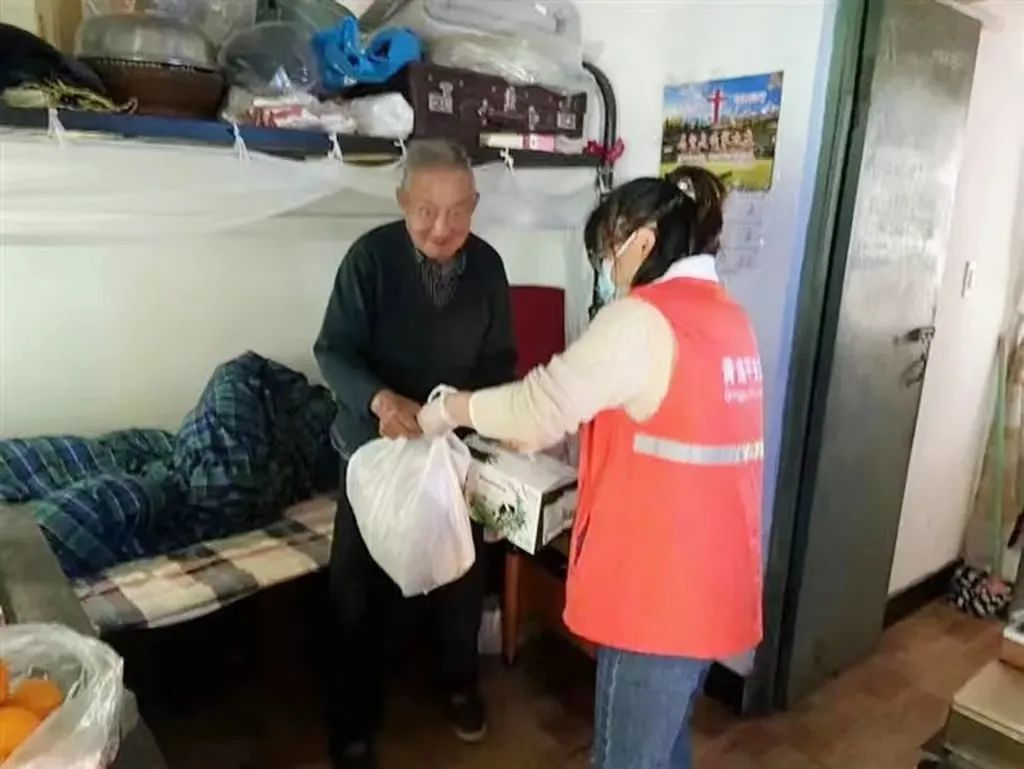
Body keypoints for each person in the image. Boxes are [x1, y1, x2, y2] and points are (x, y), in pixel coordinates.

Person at [418, 167, 764, 769]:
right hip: (714, 583)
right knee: (664, 748)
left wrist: (449, 408)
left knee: (623, 758)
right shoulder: (726, 318)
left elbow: (535, 410)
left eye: (608, 249)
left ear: (644, 241)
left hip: (657, 596)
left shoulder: (643, 320)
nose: (606, 266)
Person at [314, 138, 517, 769]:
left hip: (450, 449)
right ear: (403, 201)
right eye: (427, 210)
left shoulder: (488, 269)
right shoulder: (369, 260)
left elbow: (500, 360)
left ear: (474, 205)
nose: (441, 227)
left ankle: (459, 684)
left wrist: (475, 414)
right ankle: (354, 719)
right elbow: (333, 351)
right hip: (375, 450)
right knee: (357, 584)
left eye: (457, 212)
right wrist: (379, 400)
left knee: (461, 571)